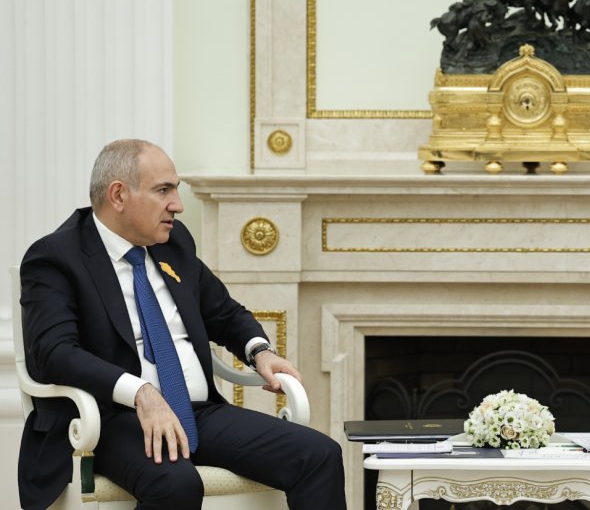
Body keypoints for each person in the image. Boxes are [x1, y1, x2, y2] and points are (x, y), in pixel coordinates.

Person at [18, 139, 347, 510]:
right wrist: (140, 392)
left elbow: (224, 313)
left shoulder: (173, 243)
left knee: (318, 454)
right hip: (109, 420)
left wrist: (260, 351)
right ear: (119, 195)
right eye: (163, 190)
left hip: (196, 411)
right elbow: (54, 352)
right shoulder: (56, 257)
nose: (177, 204)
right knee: (176, 484)